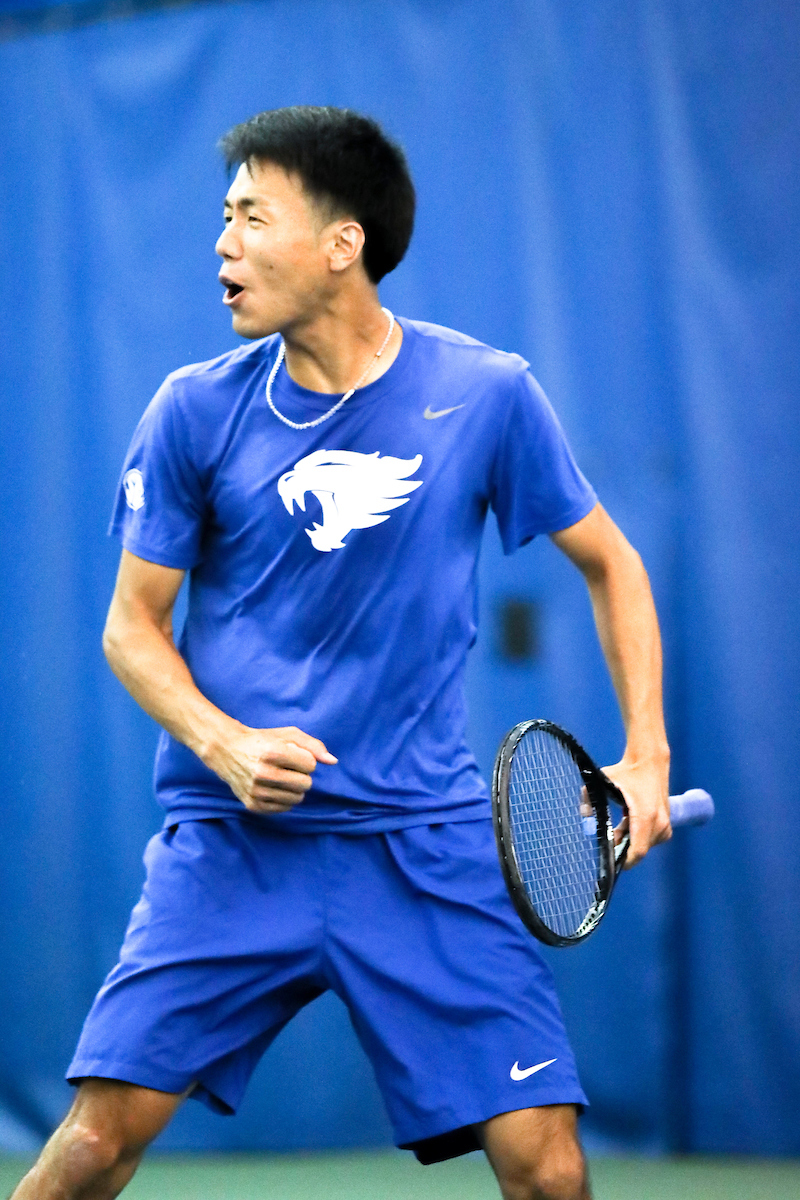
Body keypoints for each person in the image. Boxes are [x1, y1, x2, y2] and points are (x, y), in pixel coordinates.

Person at [12, 106, 671, 1200]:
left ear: (339, 242)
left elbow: (613, 565)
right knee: (92, 1144)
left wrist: (642, 757)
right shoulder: (190, 411)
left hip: (421, 847)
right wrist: (222, 745)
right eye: (220, 218)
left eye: (249, 216)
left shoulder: (487, 393)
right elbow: (131, 628)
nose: (221, 244)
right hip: (232, 847)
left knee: (548, 1169)